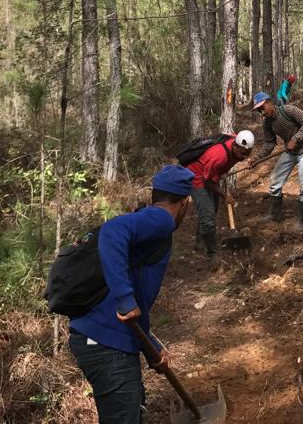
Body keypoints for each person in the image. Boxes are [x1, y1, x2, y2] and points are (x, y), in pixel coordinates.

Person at [68, 164, 193, 424]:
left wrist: (151, 349)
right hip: (105, 343)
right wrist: (125, 298)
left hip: (108, 339)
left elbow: (134, 301)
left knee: (131, 410)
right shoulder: (162, 220)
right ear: (185, 202)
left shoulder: (149, 221)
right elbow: (113, 232)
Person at [249, 92, 303, 230]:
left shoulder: (289, 110)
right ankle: (274, 214)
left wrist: (295, 139)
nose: (262, 112)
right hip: (290, 152)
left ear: (269, 102)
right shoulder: (267, 123)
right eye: (259, 110)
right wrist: (257, 158)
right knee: (275, 182)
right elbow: (269, 144)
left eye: (262, 108)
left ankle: (301, 219)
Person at [183, 131, 254, 257]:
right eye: (242, 153)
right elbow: (207, 181)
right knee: (208, 217)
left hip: (211, 174)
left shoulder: (236, 140)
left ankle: (200, 243)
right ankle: (212, 253)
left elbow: (230, 134)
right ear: (235, 146)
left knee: (211, 210)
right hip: (197, 177)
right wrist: (224, 195)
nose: (244, 157)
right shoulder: (219, 157)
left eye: (247, 154)